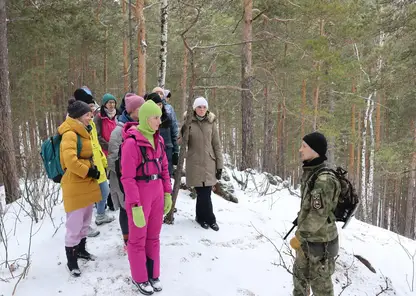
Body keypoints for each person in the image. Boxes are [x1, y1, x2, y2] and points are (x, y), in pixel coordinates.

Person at [120, 100, 172, 295]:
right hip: (140, 193)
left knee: (154, 236)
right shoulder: (131, 143)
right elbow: (127, 178)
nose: (159, 121)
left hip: (157, 190)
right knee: (137, 239)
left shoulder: (157, 140)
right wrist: (134, 205)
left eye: (160, 117)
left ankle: (153, 273)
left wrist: (167, 193)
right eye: (155, 117)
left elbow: (165, 168)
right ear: (145, 118)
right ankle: (140, 277)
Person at [290, 132, 341, 296]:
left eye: (304, 146)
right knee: (299, 286)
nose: (300, 150)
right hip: (307, 244)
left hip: (320, 248)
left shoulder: (324, 180)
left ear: (315, 150)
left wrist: (300, 235)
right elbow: (309, 207)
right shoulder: (311, 172)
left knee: (322, 291)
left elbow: (318, 216)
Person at [59, 99, 101, 277]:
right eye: (87, 115)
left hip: (86, 184)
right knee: (74, 225)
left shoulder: (84, 131)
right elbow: (70, 161)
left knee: (84, 222)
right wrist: (88, 172)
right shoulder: (70, 133)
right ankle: (72, 260)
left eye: (91, 115)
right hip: (75, 185)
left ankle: (82, 250)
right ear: (77, 116)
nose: (90, 118)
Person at [108, 93, 145, 247]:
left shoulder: (143, 126)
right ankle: (126, 239)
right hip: (123, 179)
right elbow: (112, 158)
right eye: (140, 108)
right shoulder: (118, 131)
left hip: (140, 178)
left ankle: (138, 237)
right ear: (131, 111)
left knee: (138, 207)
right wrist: (125, 173)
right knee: (125, 208)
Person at [74, 88, 115, 226]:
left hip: (98, 164)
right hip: (86, 168)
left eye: (92, 109)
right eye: (89, 109)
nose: (92, 112)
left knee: (105, 190)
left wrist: (103, 160)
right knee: (86, 199)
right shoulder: (74, 128)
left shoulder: (90, 123)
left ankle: (101, 215)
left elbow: (95, 145)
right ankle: (84, 226)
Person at [182, 97, 223, 231]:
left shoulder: (211, 122)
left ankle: (203, 218)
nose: (202, 109)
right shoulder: (188, 122)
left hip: (209, 162)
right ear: (194, 108)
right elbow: (180, 142)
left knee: (205, 193)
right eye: (199, 107)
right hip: (195, 163)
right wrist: (184, 129)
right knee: (202, 193)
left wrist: (219, 165)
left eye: (204, 107)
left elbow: (217, 145)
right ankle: (208, 218)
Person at [146, 92, 179, 176]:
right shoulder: (145, 120)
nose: (158, 106)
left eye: (160, 104)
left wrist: (176, 151)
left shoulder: (167, 118)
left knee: (167, 178)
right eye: (156, 104)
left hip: (167, 153)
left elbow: (174, 135)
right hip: (151, 156)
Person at [152, 87, 179, 168]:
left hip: (167, 145)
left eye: (161, 93)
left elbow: (174, 129)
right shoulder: (147, 108)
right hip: (153, 145)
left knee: (167, 170)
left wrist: (176, 150)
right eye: (157, 93)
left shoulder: (169, 109)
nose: (159, 95)